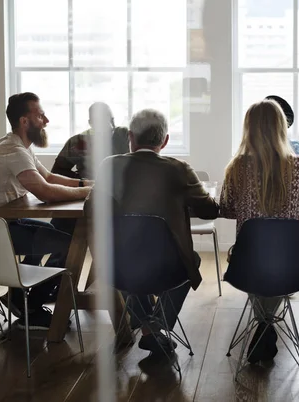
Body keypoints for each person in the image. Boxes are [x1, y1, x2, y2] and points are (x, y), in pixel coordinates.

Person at [91, 108, 219, 354]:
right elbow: (209, 211)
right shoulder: (179, 169)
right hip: (167, 269)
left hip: (119, 266)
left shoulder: (110, 165)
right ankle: (156, 326)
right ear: (165, 140)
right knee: (191, 261)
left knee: (125, 263)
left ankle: (148, 325)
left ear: (131, 136)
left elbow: (92, 208)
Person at [0, 92, 93, 330]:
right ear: (24, 121)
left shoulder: (20, 146)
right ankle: (30, 306)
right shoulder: (12, 150)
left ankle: (19, 298)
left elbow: (47, 177)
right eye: (40, 115)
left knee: (58, 236)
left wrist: (85, 184)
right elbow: (45, 191)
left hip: (7, 224)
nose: (46, 121)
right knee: (69, 245)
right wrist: (91, 193)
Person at [220, 99, 299, 363]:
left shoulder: (237, 167)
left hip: (248, 260)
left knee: (256, 257)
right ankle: (267, 325)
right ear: (282, 128)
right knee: (275, 259)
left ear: (248, 129)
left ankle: (264, 326)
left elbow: (226, 209)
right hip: (293, 260)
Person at [51, 102, 130, 180]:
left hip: (122, 188)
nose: (110, 125)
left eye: (111, 120)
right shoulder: (78, 140)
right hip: (89, 189)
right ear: (91, 123)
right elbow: (57, 171)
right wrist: (81, 181)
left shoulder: (124, 134)